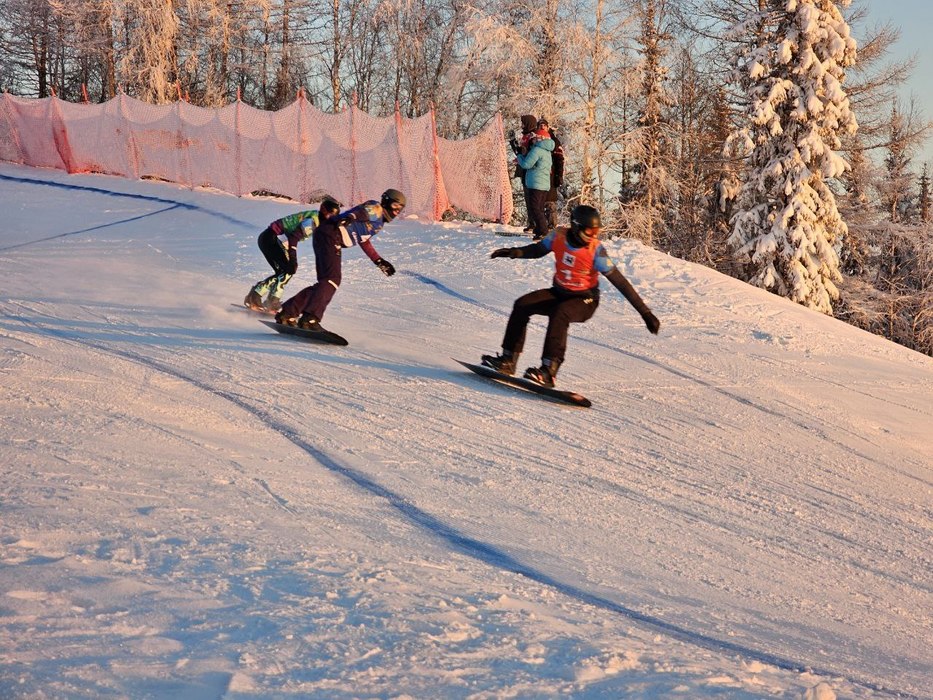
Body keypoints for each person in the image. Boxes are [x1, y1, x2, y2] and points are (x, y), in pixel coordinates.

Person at [481, 204, 660, 388]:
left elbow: (620, 282)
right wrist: (514, 252)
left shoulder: (596, 251)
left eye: (596, 232)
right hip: (559, 293)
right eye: (590, 232)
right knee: (522, 304)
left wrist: (645, 313)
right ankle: (508, 360)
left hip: (585, 300)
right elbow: (537, 250)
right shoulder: (558, 236)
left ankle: (548, 372)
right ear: (576, 227)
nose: (594, 236)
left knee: (561, 313)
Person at [274, 189, 406, 331]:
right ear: (386, 201)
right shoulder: (377, 208)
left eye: (400, 209)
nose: (396, 212)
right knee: (332, 279)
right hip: (331, 235)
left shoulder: (378, 223)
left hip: (327, 235)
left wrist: (378, 260)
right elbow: (362, 212)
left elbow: (364, 240)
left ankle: (288, 313)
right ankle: (310, 318)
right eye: (395, 206)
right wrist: (350, 217)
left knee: (325, 282)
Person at [244, 198, 341, 312]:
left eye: (334, 217)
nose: (331, 219)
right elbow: (293, 238)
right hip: (271, 239)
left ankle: (270, 299)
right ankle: (258, 296)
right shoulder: (312, 222)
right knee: (288, 270)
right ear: (323, 211)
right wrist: (293, 260)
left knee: (284, 272)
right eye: (330, 215)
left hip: (272, 239)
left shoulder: (318, 219)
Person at [515, 123, 555, 241]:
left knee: (535, 208)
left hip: (535, 183)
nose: (533, 139)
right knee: (539, 208)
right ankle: (539, 229)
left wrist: (519, 157)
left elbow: (527, 164)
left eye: (535, 137)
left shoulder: (537, 150)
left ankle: (543, 231)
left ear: (539, 138)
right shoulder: (547, 151)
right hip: (544, 184)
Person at [509, 115, 539, 233]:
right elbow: (519, 153)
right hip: (524, 170)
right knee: (527, 198)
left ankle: (537, 224)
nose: (521, 125)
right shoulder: (525, 136)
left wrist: (521, 153)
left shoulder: (532, 137)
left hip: (530, 171)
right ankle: (531, 223)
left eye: (523, 123)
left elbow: (527, 154)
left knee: (533, 199)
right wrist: (513, 142)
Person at [538, 118, 564, 230]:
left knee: (550, 202)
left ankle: (552, 225)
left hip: (551, 175)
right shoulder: (536, 140)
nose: (542, 128)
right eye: (540, 126)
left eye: (544, 125)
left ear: (548, 127)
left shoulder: (554, 142)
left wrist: (559, 175)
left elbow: (559, 159)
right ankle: (541, 225)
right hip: (539, 175)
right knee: (539, 202)